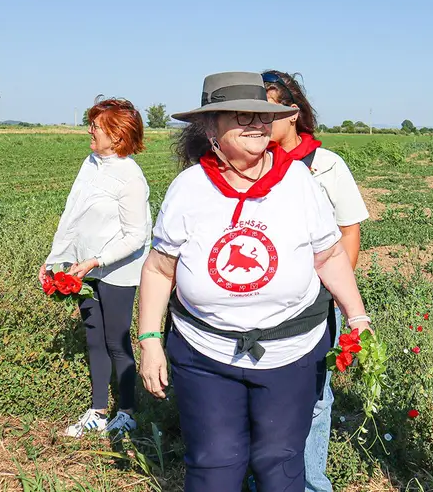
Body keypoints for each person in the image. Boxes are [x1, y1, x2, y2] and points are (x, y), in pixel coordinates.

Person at [135, 72, 372, 491]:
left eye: (263, 117)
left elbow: (331, 255)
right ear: (210, 128)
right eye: (242, 117)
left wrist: (358, 319)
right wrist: (150, 339)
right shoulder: (188, 188)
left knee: (279, 462)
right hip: (204, 351)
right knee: (214, 465)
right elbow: (158, 269)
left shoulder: (299, 181)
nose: (257, 126)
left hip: (292, 352)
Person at [262, 69, 370, 492]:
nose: (260, 121)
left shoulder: (325, 166)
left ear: (293, 113)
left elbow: (349, 230)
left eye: (270, 111)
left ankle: (311, 482)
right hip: (265, 306)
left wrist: (337, 294)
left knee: (315, 398)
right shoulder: (251, 165)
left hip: (317, 303)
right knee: (266, 395)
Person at [39, 98, 151, 437]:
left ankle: (127, 413)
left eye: (97, 126)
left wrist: (96, 260)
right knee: (93, 339)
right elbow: (72, 215)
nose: (90, 130)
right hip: (83, 270)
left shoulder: (130, 177)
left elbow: (136, 236)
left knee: (117, 341)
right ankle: (98, 411)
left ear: (117, 136)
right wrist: (55, 259)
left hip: (116, 271)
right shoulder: (90, 164)